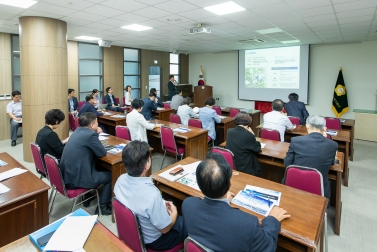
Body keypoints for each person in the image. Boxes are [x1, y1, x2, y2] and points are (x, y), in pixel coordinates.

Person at [182, 152, 290, 252]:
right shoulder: (247, 224)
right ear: (230, 183)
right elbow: (269, 246)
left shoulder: (188, 205)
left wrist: (223, 200)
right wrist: (273, 219)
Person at [114, 141, 187, 250]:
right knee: (188, 220)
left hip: (134, 233)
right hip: (157, 241)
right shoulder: (152, 194)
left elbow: (137, 200)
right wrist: (175, 213)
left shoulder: (120, 180)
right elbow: (165, 229)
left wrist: (160, 203)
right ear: (147, 165)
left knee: (171, 200)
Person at [60, 112, 111, 215]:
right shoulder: (91, 134)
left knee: (96, 166)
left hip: (68, 175)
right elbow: (102, 153)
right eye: (97, 123)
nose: (98, 125)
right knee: (110, 175)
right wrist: (96, 134)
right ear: (92, 125)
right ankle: (103, 207)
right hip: (77, 178)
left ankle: (87, 198)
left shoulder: (76, 131)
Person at [283, 115, 338, 200]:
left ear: (307, 126)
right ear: (324, 128)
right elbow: (331, 163)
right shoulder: (332, 145)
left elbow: (287, 163)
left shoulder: (296, 140)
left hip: (294, 184)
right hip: (318, 188)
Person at [226, 112, 262, 176]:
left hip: (232, 165)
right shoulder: (249, 135)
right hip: (245, 168)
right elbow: (258, 149)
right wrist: (252, 134)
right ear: (248, 123)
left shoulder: (230, 131)